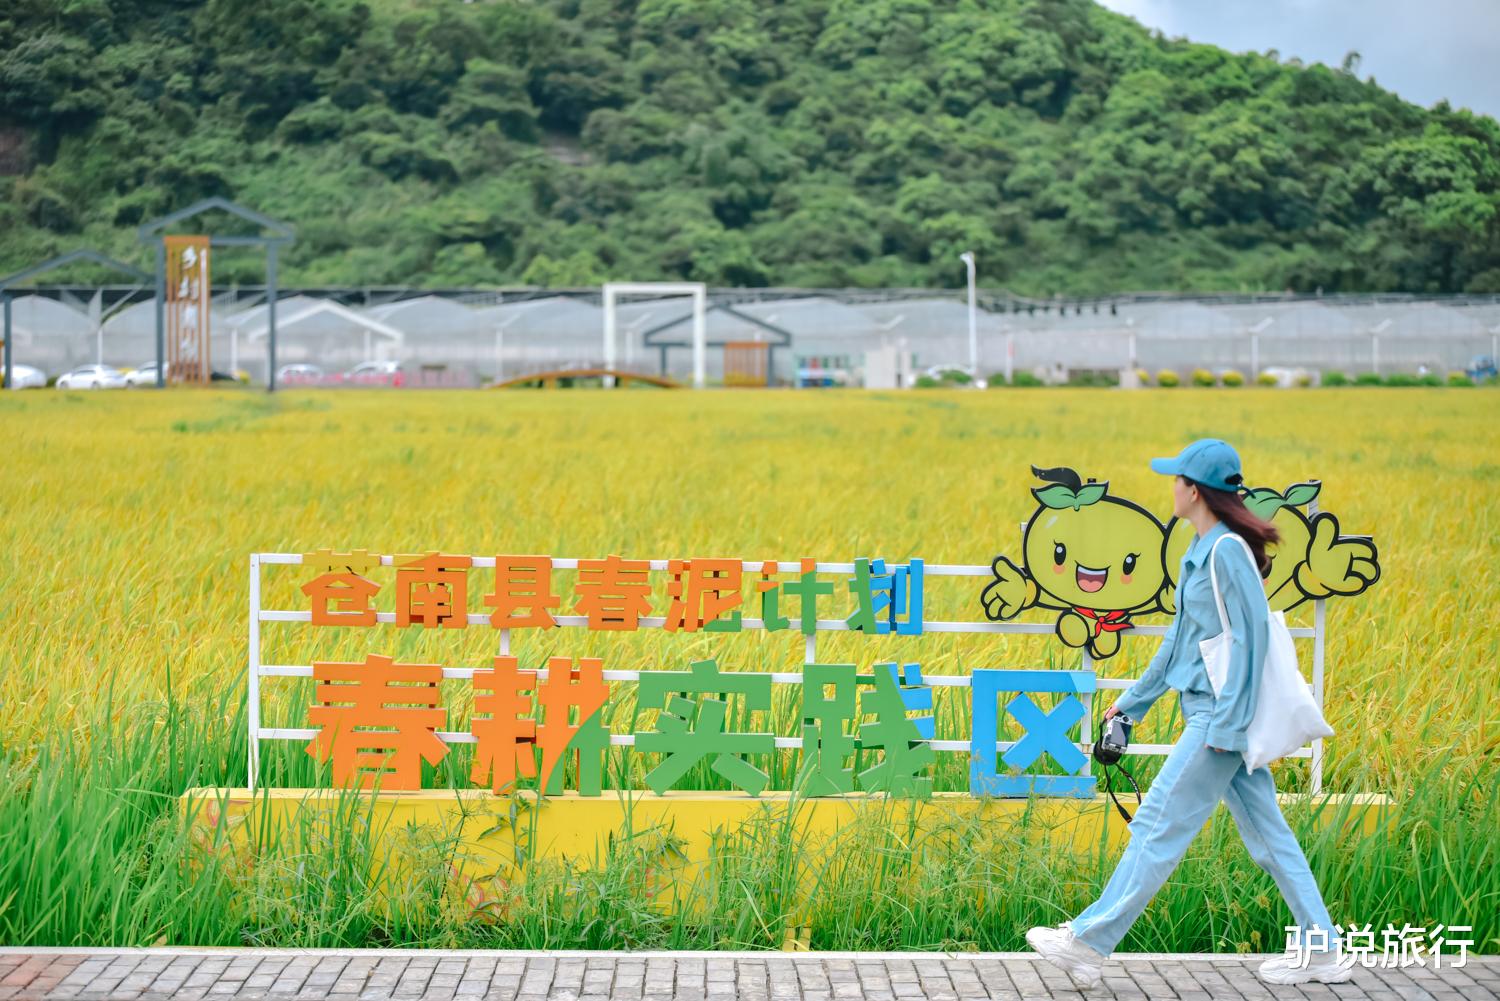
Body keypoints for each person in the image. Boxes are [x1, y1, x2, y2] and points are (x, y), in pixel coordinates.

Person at [1023, 438, 1351, 989]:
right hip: (1212, 712)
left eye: (1176, 479)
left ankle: (1087, 942)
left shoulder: (1226, 552)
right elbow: (1179, 642)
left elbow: (1247, 642)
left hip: (1219, 719)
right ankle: (1322, 950)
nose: (1170, 487)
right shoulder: (1200, 551)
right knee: (1270, 836)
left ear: (1194, 491)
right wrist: (1133, 701)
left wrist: (1228, 725)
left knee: (1157, 822)